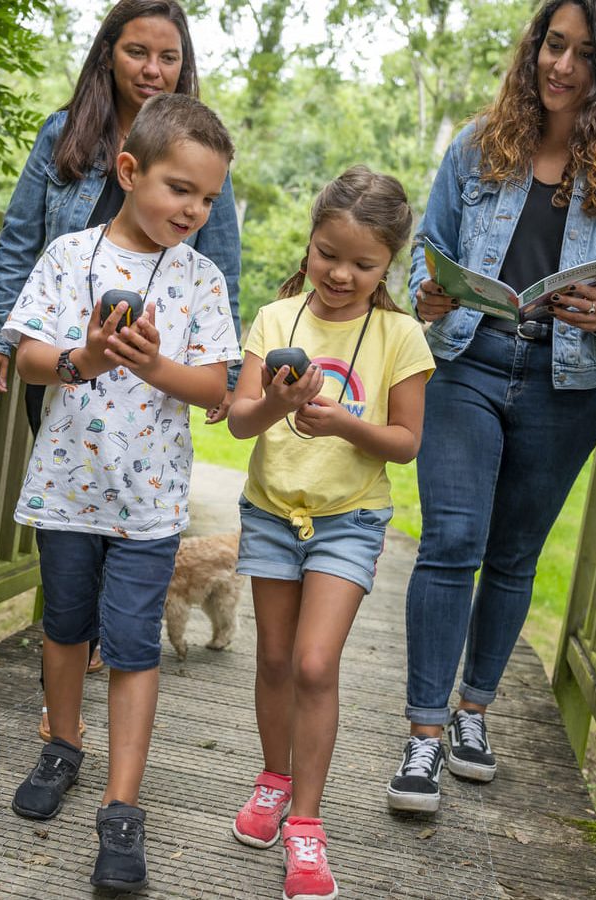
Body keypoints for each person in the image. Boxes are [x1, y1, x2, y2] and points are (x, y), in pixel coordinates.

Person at [387, 0, 596, 815]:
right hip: (468, 363)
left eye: (585, 54)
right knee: (451, 540)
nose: (562, 65)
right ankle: (420, 737)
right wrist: (430, 296)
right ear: (535, 47)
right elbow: (428, 251)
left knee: (513, 556)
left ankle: (472, 713)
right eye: (554, 44)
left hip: (565, 379)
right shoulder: (478, 146)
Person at [0, 0, 243, 744]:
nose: (154, 69)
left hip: (155, 378)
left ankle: (98, 649)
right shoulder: (64, 135)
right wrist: (1, 335)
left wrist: (226, 369)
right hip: (69, 348)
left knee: (123, 522)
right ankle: (69, 665)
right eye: (138, 53)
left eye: (169, 56)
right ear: (109, 56)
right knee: (70, 520)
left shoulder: (197, 148)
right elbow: (22, 236)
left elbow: (221, 262)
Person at [1, 92, 239, 892]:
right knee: (66, 624)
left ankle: (122, 804)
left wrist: (147, 364)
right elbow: (32, 353)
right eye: (180, 189)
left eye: (207, 198)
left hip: (150, 504)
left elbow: (215, 382)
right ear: (130, 171)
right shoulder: (70, 257)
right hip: (68, 489)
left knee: (133, 642)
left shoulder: (202, 278)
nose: (195, 209)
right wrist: (87, 360)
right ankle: (61, 744)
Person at [225, 167, 435, 900]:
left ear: (388, 266)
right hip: (272, 510)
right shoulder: (274, 320)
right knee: (275, 659)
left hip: (350, 520)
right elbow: (240, 418)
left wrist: (343, 420)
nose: (341, 274)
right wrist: (276, 404)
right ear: (309, 244)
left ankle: (306, 825)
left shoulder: (401, 336)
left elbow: (405, 442)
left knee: (316, 664)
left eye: (364, 264)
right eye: (327, 254)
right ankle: (273, 778)